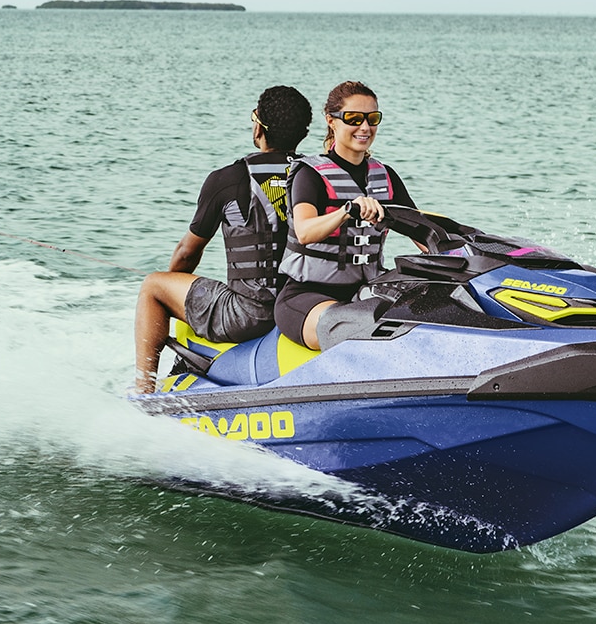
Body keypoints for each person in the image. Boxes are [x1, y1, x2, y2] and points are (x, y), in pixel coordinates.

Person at [133, 85, 313, 392]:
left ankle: (144, 388)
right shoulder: (315, 176)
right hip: (302, 306)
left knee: (153, 286)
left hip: (250, 314)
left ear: (259, 127)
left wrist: (173, 287)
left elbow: (187, 255)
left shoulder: (227, 179)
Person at [274, 80, 419, 350]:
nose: (365, 127)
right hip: (306, 296)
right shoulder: (310, 174)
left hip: (365, 292)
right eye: (353, 118)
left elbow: (422, 231)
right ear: (332, 121)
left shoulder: (385, 176)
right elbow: (305, 231)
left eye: (372, 118)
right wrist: (346, 211)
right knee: (355, 325)